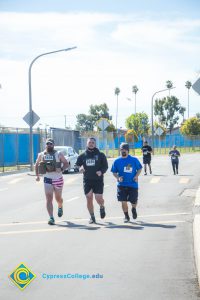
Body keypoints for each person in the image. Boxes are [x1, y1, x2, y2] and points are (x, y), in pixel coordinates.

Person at [35, 138, 69, 225]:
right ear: (45, 145)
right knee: (49, 198)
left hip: (58, 178)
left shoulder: (59, 154)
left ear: (53, 145)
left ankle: (60, 206)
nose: (49, 145)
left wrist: (61, 169)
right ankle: (51, 217)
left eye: (50, 144)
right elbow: (36, 164)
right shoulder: (41, 154)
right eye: (47, 144)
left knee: (58, 198)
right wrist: (37, 176)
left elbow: (66, 163)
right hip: (47, 179)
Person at [76, 137, 108, 224]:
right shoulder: (82, 156)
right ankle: (92, 216)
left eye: (93, 142)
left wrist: (101, 171)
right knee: (89, 198)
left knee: (98, 199)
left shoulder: (101, 155)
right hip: (87, 180)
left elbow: (105, 166)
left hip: (98, 180)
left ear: (95, 144)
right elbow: (78, 165)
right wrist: (80, 168)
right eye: (89, 142)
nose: (91, 144)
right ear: (87, 143)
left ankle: (102, 206)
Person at [111, 142, 142, 223]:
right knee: (123, 200)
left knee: (133, 200)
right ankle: (126, 216)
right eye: (121, 149)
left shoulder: (134, 160)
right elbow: (114, 172)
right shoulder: (117, 161)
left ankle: (133, 208)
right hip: (121, 184)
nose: (123, 151)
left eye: (124, 149)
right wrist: (118, 177)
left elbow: (139, 168)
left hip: (133, 184)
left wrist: (136, 176)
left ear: (128, 150)